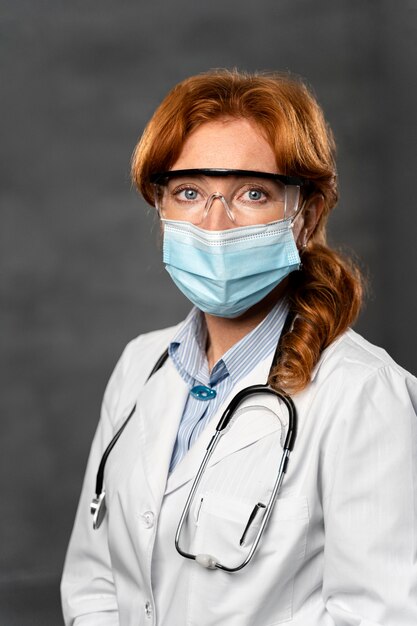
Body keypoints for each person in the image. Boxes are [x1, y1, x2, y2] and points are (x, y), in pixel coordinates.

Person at [61, 69, 417, 626]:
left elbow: (380, 615)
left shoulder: (365, 395)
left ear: (306, 216)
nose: (215, 223)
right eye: (189, 193)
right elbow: (94, 583)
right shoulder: (139, 366)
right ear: (161, 209)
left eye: (252, 193)